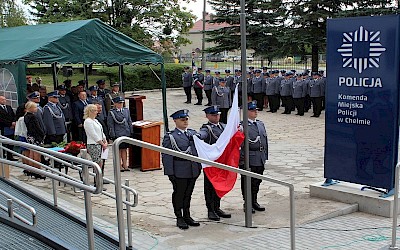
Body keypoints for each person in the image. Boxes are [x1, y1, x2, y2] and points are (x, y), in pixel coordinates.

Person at [162, 109, 201, 229]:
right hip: (179, 170)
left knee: (188, 193)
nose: (185, 121)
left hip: (192, 169)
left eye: (186, 119)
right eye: (182, 119)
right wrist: (170, 172)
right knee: (179, 194)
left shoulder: (192, 133)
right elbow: (166, 155)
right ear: (175, 121)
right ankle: (179, 217)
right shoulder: (171, 136)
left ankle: (187, 215)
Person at [197, 106, 231, 221]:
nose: (216, 117)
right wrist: (198, 136)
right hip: (211, 163)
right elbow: (203, 134)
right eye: (213, 115)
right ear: (207, 116)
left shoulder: (223, 126)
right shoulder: (207, 128)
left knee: (219, 185)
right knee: (210, 187)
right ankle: (210, 210)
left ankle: (217, 207)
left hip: (222, 162)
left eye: (217, 114)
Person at [240, 101, 268, 212]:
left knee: (257, 181)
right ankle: (247, 203)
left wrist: (265, 156)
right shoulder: (242, 126)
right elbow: (240, 144)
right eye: (252, 110)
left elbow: (264, 141)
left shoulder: (260, 124)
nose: (255, 112)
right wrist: (242, 160)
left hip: (260, 156)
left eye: (256, 110)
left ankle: (254, 201)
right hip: (249, 157)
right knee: (247, 182)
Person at [83, 104, 108, 184]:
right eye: (95, 110)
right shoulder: (88, 121)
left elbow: (101, 131)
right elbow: (93, 134)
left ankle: (101, 178)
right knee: (97, 162)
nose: (97, 112)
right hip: (94, 144)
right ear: (90, 111)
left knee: (102, 162)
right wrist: (101, 143)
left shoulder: (95, 120)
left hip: (101, 144)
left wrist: (105, 140)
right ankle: (97, 181)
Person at [107, 96, 133, 172]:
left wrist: (131, 131)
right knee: (118, 150)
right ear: (115, 104)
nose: (121, 104)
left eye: (122, 103)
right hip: (118, 133)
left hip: (126, 132)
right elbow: (110, 124)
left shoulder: (126, 110)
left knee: (124, 149)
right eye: (119, 103)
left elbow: (129, 121)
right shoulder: (112, 112)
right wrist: (112, 134)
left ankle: (125, 164)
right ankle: (119, 166)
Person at [24, 101, 46, 179]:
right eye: (35, 107)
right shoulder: (32, 117)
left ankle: (31, 170)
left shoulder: (26, 116)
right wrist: (42, 134)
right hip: (36, 137)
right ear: (31, 108)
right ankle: (37, 171)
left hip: (30, 136)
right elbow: (37, 127)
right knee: (36, 155)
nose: (36, 108)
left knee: (31, 154)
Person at [0, 95, 17, 160]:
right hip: (4, 127)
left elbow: (13, 115)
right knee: (4, 142)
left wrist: (14, 122)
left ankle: (10, 156)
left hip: (11, 128)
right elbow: (1, 119)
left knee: (11, 142)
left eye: (4, 99)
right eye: (2, 100)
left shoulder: (9, 107)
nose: (4, 101)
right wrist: (10, 124)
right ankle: (3, 155)